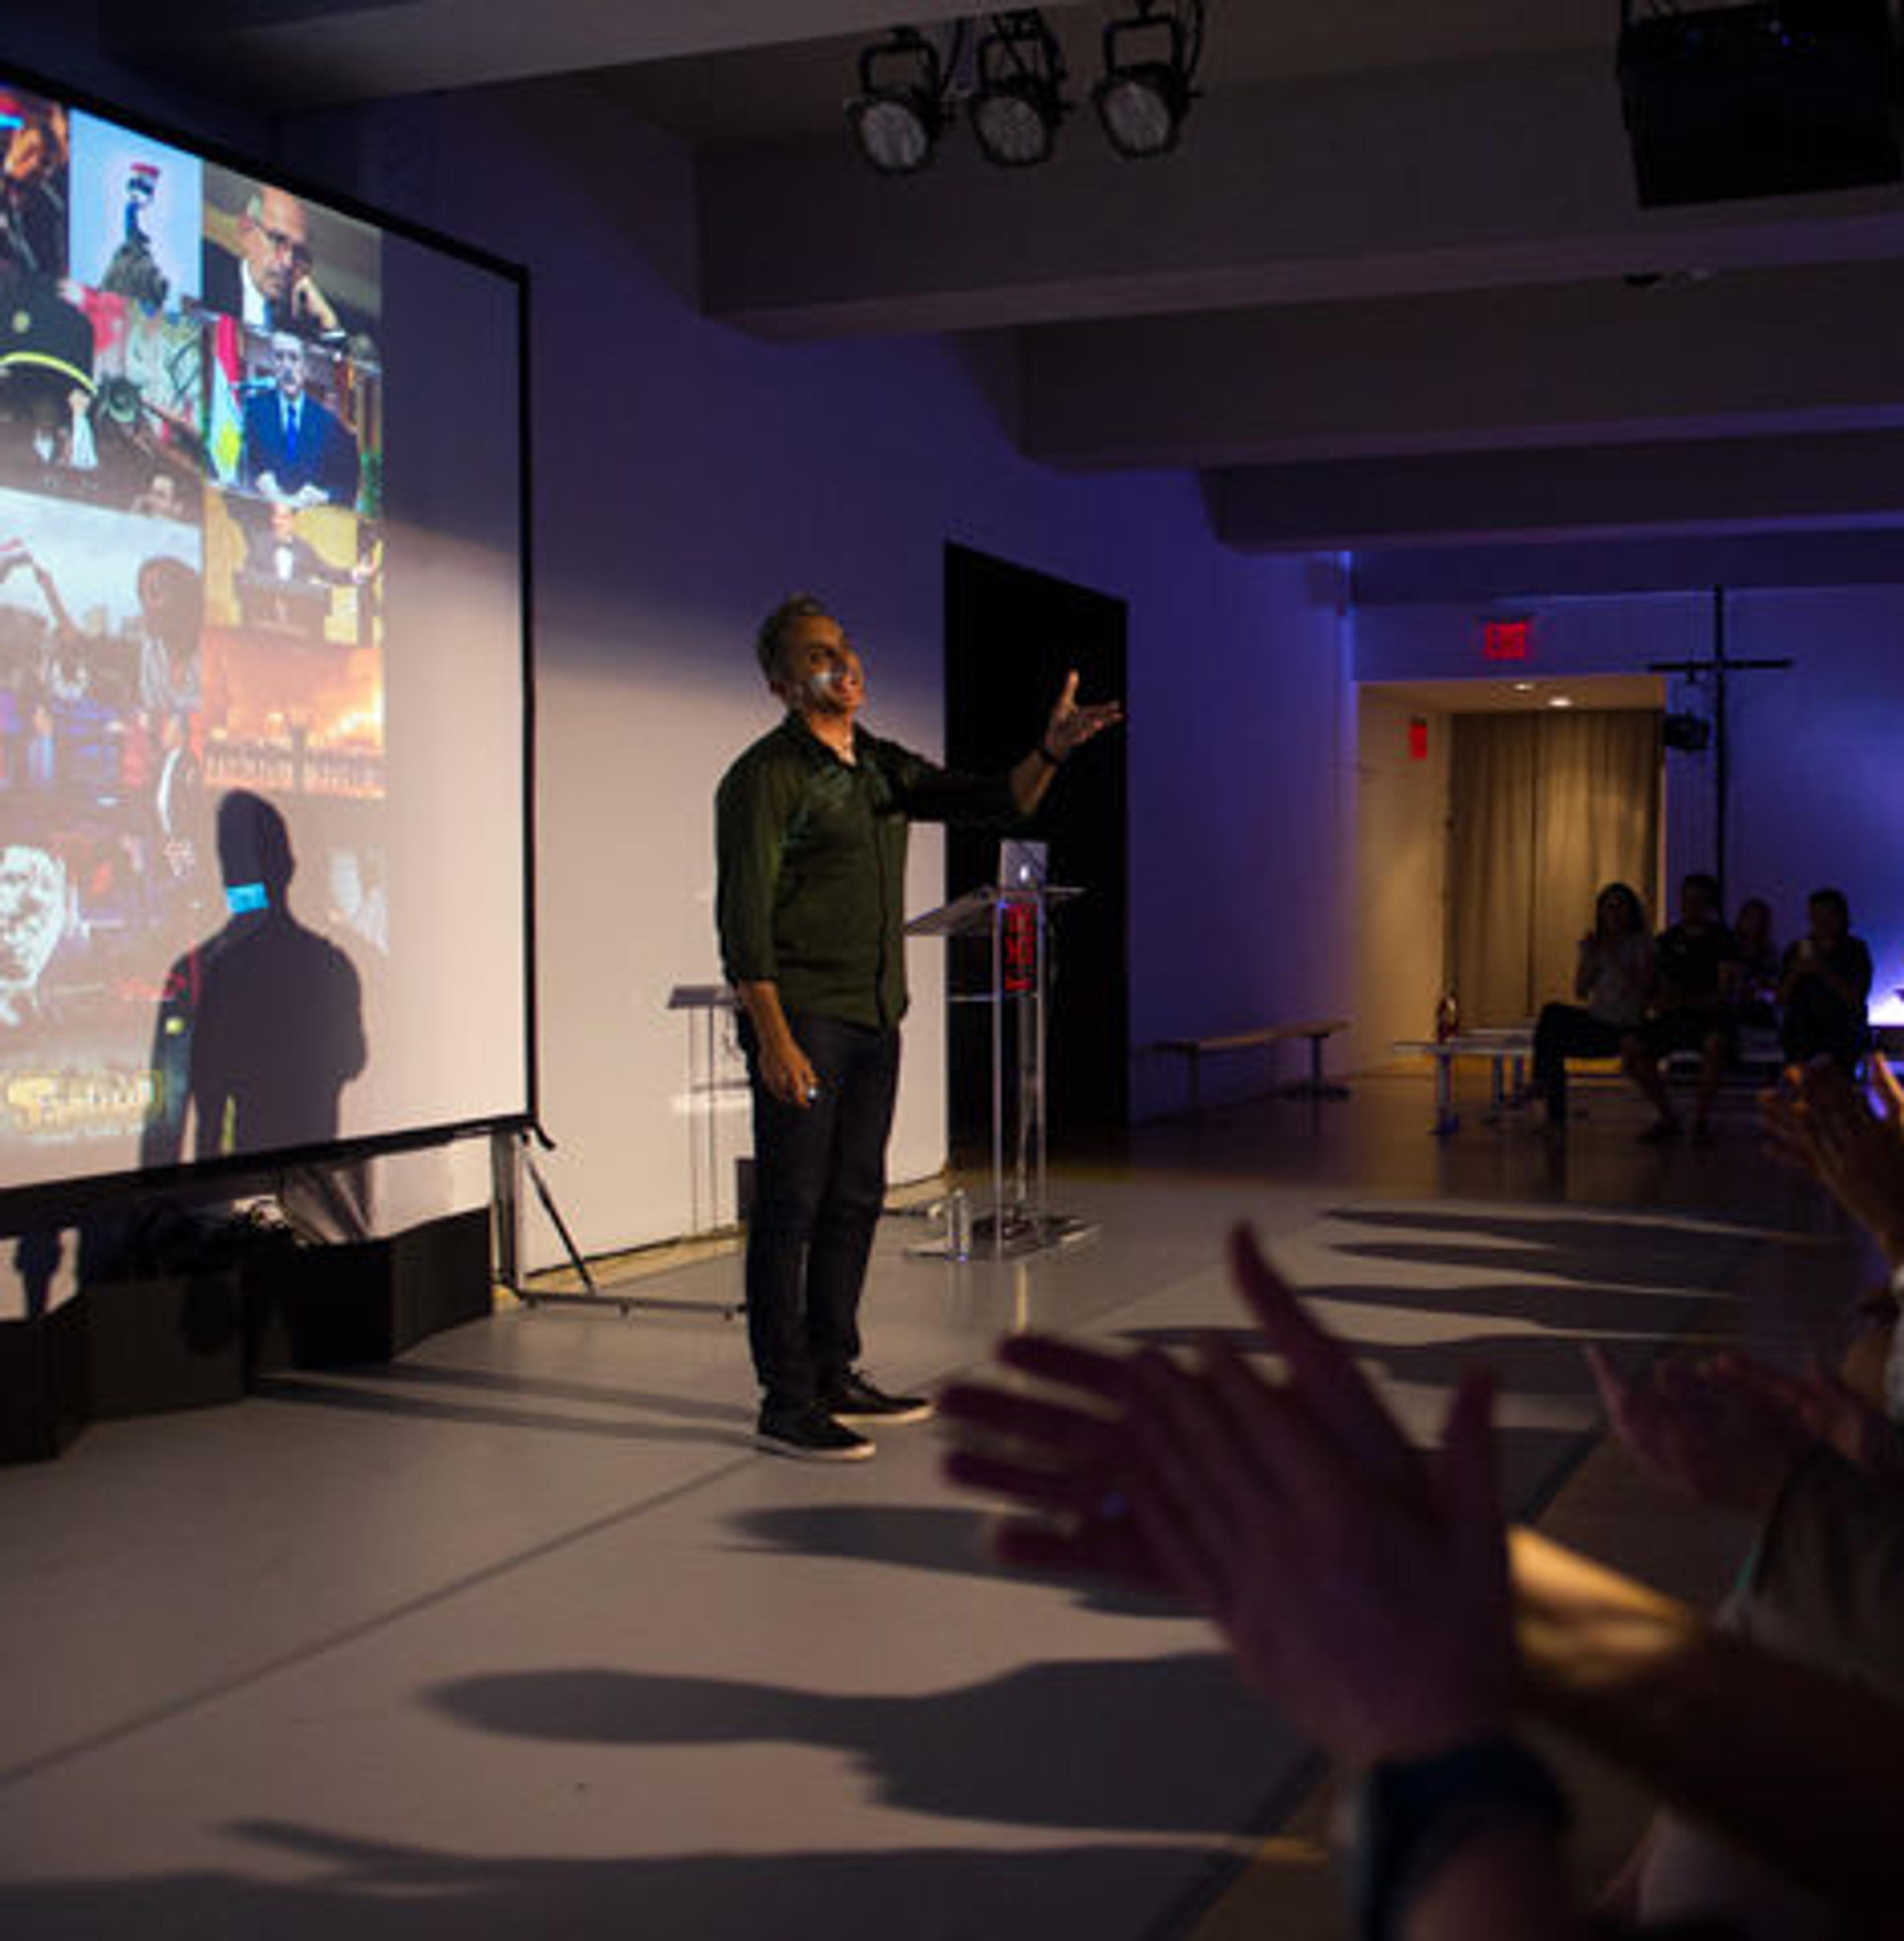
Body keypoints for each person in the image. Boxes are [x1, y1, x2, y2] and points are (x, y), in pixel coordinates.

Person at [715, 594, 1120, 1461]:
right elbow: (742, 920)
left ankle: (834, 1368)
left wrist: (1052, 747)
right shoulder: (765, 777)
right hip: (807, 1017)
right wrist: (774, 1036)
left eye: (846, 645)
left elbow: (995, 800)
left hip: (874, 1013)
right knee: (792, 1204)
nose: (844, 662)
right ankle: (784, 1397)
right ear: (785, 683)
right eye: (820, 654)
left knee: (857, 1194)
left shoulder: (879, 768)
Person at [1623, 871, 1739, 1145]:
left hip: (1711, 1018)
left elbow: (1725, 993)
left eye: (1698, 900)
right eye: (1687, 899)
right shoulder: (1666, 941)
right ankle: (1667, 1116)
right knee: (1631, 1046)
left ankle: (1701, 1120)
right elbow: (1653, 986)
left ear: (1709, 904)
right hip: (1675, 1017)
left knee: (1714, 1044)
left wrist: (1685, 999)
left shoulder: (1723, 940)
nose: (1691, 906)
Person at [1529, 881, 1652, 1134]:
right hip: (1598, 1019)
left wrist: (1614, 954)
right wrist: (1590, 957)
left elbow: (1642, 989)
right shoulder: (1597, 944)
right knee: (1552, 1017)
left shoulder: (1643, 944)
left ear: (1631, 912)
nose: (1614, 914)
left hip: (1625, 1025)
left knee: (1553, 1035)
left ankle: (1545, 1093)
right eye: (1608, 908)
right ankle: (1550, 1104)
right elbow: (1581, 991)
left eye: (1620, 907)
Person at [203, 184, 356, 346]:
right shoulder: (208, 271)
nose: (288, 263)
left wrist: (330, 326)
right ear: (246, 229)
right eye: (278, 240)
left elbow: (339, 366)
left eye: (297, 250)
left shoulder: (301, 320)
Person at [239, 332, 360, 509]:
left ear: (306, 367)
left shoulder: (327, 424)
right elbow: (243, 465)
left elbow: (347, 488)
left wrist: (323, 496)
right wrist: (258, 480)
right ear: (272, 363)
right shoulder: (253, 410)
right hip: (261, 521)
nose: (287, 367)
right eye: (280, 357)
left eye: (294, 358)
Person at [1779, 887, 1871, 1074]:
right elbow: (1780, 998)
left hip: (1842, 1030)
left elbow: (1856, 999)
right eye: (1815, 916)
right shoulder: (1797, 949)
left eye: (1826, 916)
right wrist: (1796, 972)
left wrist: (1823, 972)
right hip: (1802, 1031)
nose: (1821, 923)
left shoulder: (1855, 951)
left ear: (1840, 917)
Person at [1730, 895, 1780, 1035]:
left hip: (1762, 1014)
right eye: (1750, 918)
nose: (1754, 923)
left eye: (1759, 919)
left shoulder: (1769, 955)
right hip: (1735, 1014)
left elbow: (1774, 990)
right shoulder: (1729, 951)